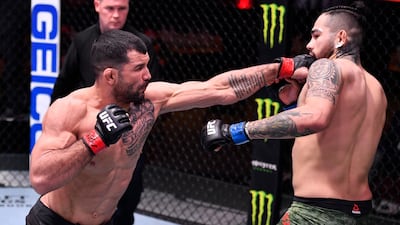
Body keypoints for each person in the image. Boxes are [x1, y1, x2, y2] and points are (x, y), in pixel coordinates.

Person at [26, 29, 314, 225]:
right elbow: (40, 178)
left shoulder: (151, 100)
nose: (148, 75)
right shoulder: (71, 110)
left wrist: (283, 68)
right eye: (138, 69)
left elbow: (219, 88)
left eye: (147, 65)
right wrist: (95, 139)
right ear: (111, 75)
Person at [201, 3, 387, 225]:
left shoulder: (327, 67)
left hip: (316, 213)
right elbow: (328, 137)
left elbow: (315, 118)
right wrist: (294, 104)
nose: (309, 45)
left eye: (316, 36)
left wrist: (236, 131)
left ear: (340, 38)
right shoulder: (376, 88)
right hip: (357, 212)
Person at [51, 0, 160, 224]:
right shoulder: (83, 41)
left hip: (127, 133)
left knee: (126, 200)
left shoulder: (141, 44)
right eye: (110, 8)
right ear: (97, 5)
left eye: (122, 9)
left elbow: (152, 92)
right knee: (80, 198)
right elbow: (63, 84)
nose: (116, 15)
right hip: (88, 135)